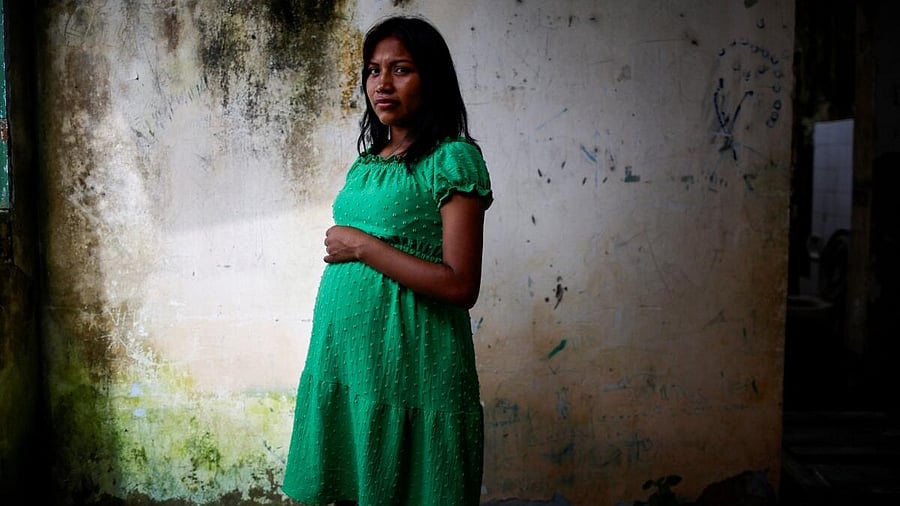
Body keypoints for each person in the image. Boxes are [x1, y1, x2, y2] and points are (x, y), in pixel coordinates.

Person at [281, 15, 493, 506]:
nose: (383, 83)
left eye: (401, 69)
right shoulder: (369, 161)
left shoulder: (452, 159)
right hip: (350, 366)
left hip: (413, 365)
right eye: (374, 71)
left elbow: (462, 285)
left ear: (432, 79)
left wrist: (362, 247)